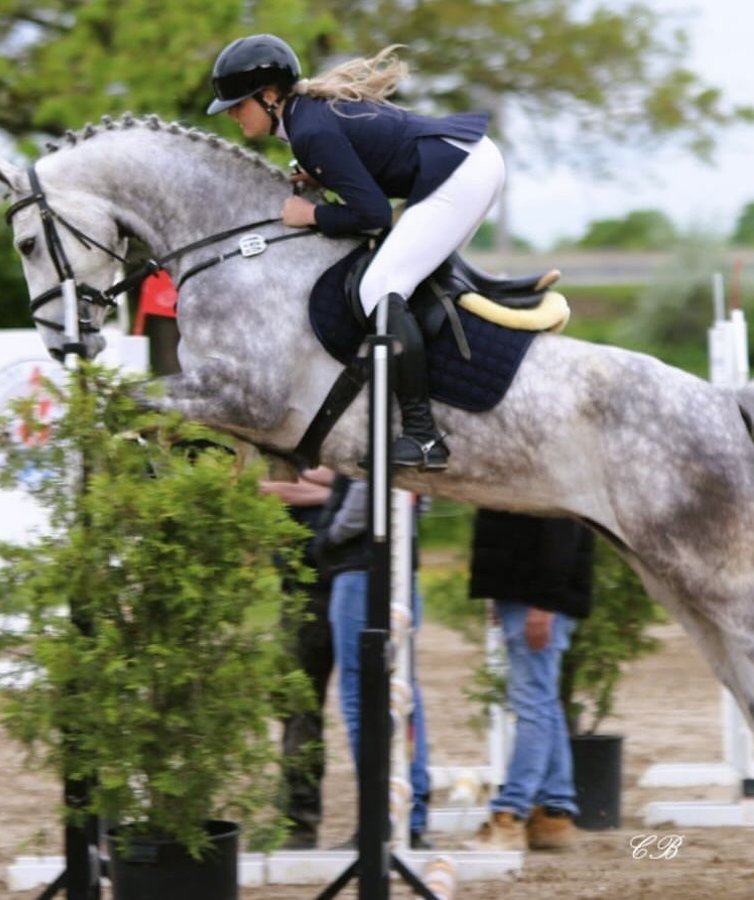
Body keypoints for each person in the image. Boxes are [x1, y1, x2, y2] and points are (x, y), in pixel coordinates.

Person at [205, 34, 508, 471]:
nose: (233, 114)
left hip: (460, 174)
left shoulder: (309, 129)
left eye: (239, 103)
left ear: (270, 97)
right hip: (467, 163)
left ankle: (422, 436)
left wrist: (311, 215)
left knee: (378, 287)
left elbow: (374, 215)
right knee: (402, 281)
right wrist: (321, 180)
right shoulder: (306, 121)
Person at [311, 474, 433, 849]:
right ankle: (409, 812)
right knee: (403, 693)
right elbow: (422, 500)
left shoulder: (373, 427)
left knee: (362, 695)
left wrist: (329, 537)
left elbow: (366, 490)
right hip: (399, 572)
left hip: (361, 572)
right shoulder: (416, 440)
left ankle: (380, 816)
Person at [463, 509, 595, 852]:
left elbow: (561, 532)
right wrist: (498, 591)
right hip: (522, 594)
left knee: (532, 706)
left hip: (534, 598)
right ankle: (554, 813)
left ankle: (511, 814)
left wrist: (544, 604)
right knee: (543, 702)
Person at [259, 468, 336, 850]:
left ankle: (301, 820)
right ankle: (298, 820)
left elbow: (358, 484)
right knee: (297, 706)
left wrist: (290, 489)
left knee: (306, 706)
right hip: (299, 584)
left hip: (338, 575)